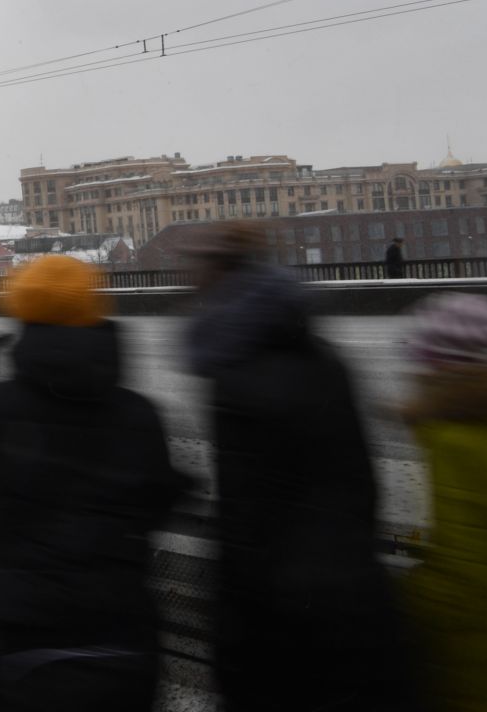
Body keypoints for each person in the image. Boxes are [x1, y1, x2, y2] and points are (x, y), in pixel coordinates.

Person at [0, 256, 187, 711]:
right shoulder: (139, 416)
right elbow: (158, 500)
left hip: (23, 651)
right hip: (123, 648)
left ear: (22, 315)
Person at [184, 222, 417, 711]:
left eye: (199, 266)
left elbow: (245, 522)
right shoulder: (318, 354)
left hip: (285, 615)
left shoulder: (237, 375)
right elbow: (359, 484)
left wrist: (236, 634)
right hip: (353, 592)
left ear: (223, 272)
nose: (191, 278)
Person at [398, 292, 487, 712]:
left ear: (438, 367)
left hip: (482, 669)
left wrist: (396, 606)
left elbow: (460, 577)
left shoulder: (456, 441)